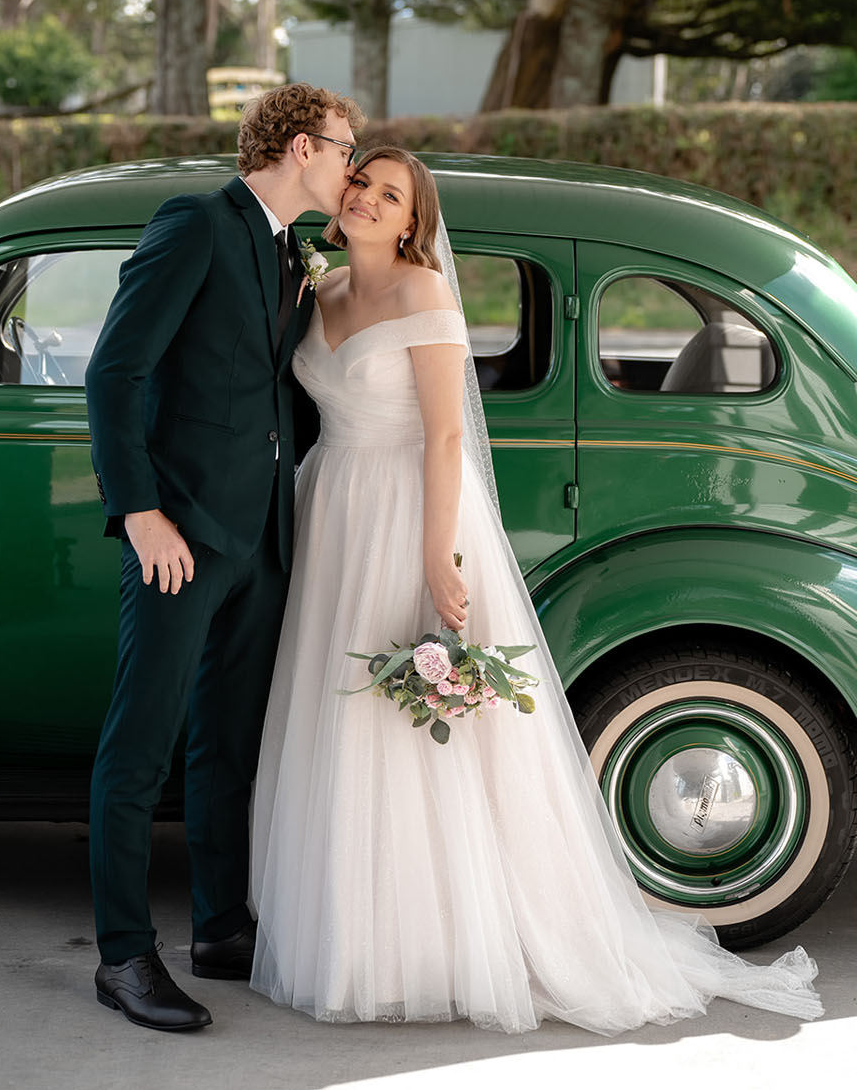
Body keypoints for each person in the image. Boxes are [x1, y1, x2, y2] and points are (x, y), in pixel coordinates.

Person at [250, 146, 822, 1035]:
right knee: (340, 711)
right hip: (333, 508)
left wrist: (439, 556)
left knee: (408, 719)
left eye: (389, 194)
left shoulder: (423, 294)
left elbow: (445, 437)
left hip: (407, 511)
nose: (364, 197)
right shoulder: (318, 293)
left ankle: (438, 945)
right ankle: (354, 932)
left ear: (413, 222)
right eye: (360, 181)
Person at [84, 82, 364, 1032]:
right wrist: (139, 514)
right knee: (141, 744)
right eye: (342, 147)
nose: (351, 166)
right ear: (296, 147)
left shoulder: (290, 250)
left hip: (263, 537)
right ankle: (123, 957)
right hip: (183, 534)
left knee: (227, 743)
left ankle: (218, 925)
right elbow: (114, 370)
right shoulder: (196, 224)